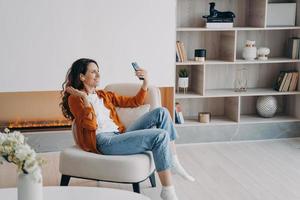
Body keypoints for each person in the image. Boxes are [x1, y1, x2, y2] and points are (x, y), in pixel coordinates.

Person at [60, 58, 195, 200]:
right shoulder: (75, 99)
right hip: (104, 142)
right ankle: (168, 192)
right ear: (82, 77)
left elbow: (134, 102)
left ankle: (173, 160)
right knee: (160, 136)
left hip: (120, 135)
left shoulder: (104, 95)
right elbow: (90, 125)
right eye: (94, 72)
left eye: (98, 71)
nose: (98, 75)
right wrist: (85, 98)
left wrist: (145, 82)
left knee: (162, 112)